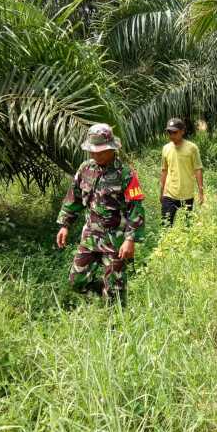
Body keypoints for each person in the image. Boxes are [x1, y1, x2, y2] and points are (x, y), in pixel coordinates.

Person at [56, 123, 145, 305]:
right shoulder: (85, 169)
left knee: (115, 291)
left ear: (112, 149)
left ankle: (115, 322)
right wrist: (65, 225)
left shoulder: (126, 174)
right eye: (92, 151)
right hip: (90, 237)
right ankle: (103, 292)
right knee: (76, 281)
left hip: (115, 240)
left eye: (101, 151)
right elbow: (74, 197)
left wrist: (130, 240)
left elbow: (136, 208)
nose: (96, 155)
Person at [159, 118, 204, 226]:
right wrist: (161, 192)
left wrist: (201, 192)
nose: (171, 135)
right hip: (169, 194)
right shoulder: (166, 148)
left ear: (182, 131)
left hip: (187, 194)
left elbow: (198, 169)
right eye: (169, 132)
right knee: (165, 226)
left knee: (187, 227)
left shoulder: (192, 148)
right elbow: (164, 171)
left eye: (175, 132)